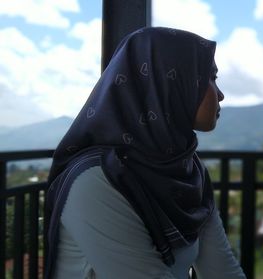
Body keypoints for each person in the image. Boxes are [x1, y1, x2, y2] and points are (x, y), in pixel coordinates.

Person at [43, 27, 246, 279]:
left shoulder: (188, 170)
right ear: (169, 81)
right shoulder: (96, 180)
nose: (221, 94)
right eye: (210, 77)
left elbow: (222, 270)